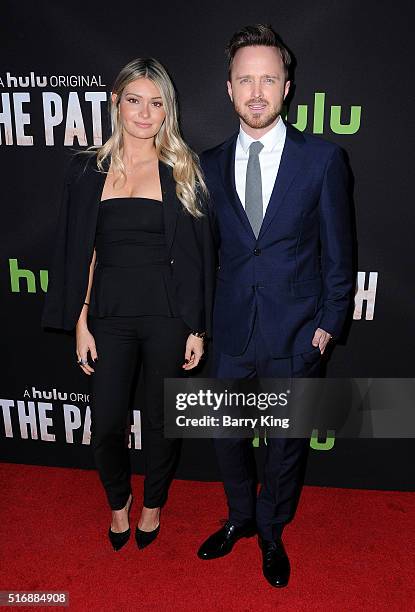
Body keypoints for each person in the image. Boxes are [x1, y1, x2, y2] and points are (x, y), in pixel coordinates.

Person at [197, 24, 353, 588]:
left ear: (287, 88)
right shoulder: (208, 165)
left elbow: (340, 254)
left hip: (296, 333)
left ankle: (270, 529)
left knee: (286, 447)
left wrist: (329, 325)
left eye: (269, 79)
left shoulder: (324, 160)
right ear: (229, 88)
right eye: (246, 79)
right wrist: (199, 325)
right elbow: (200, 255)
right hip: (230, 330)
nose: (257, 91)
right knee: (226, 437)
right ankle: (239, 517)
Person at [41, 58, 215, 552]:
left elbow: (201, 257)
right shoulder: (87, 168)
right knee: (107, 424)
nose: (145, 113)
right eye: (134, 101)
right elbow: (80, 254)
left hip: (168, 318)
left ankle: (154, 504)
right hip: (108, 318)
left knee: (163, 423)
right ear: (116, 103)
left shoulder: (183, 168)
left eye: (156, 103)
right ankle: (119, 505)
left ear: (167, 111)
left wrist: (197, 329)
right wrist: (81, 321)